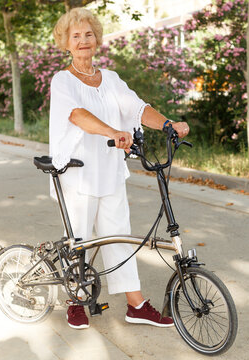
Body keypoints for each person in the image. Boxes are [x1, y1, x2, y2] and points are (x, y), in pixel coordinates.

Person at [50, 8, 190, 330]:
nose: (83, 41)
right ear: (66, 43)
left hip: (110, 171)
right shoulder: (63, 81)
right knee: (81, 240)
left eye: (88, 34)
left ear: (97, 39)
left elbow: (136, 108)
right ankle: (75, 300)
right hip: (78, 173)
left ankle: (136, 305)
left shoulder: (110, 79)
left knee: (120, 239)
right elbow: (77, 115)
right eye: (76, 36)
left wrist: (168, 124)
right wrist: (113, 132)